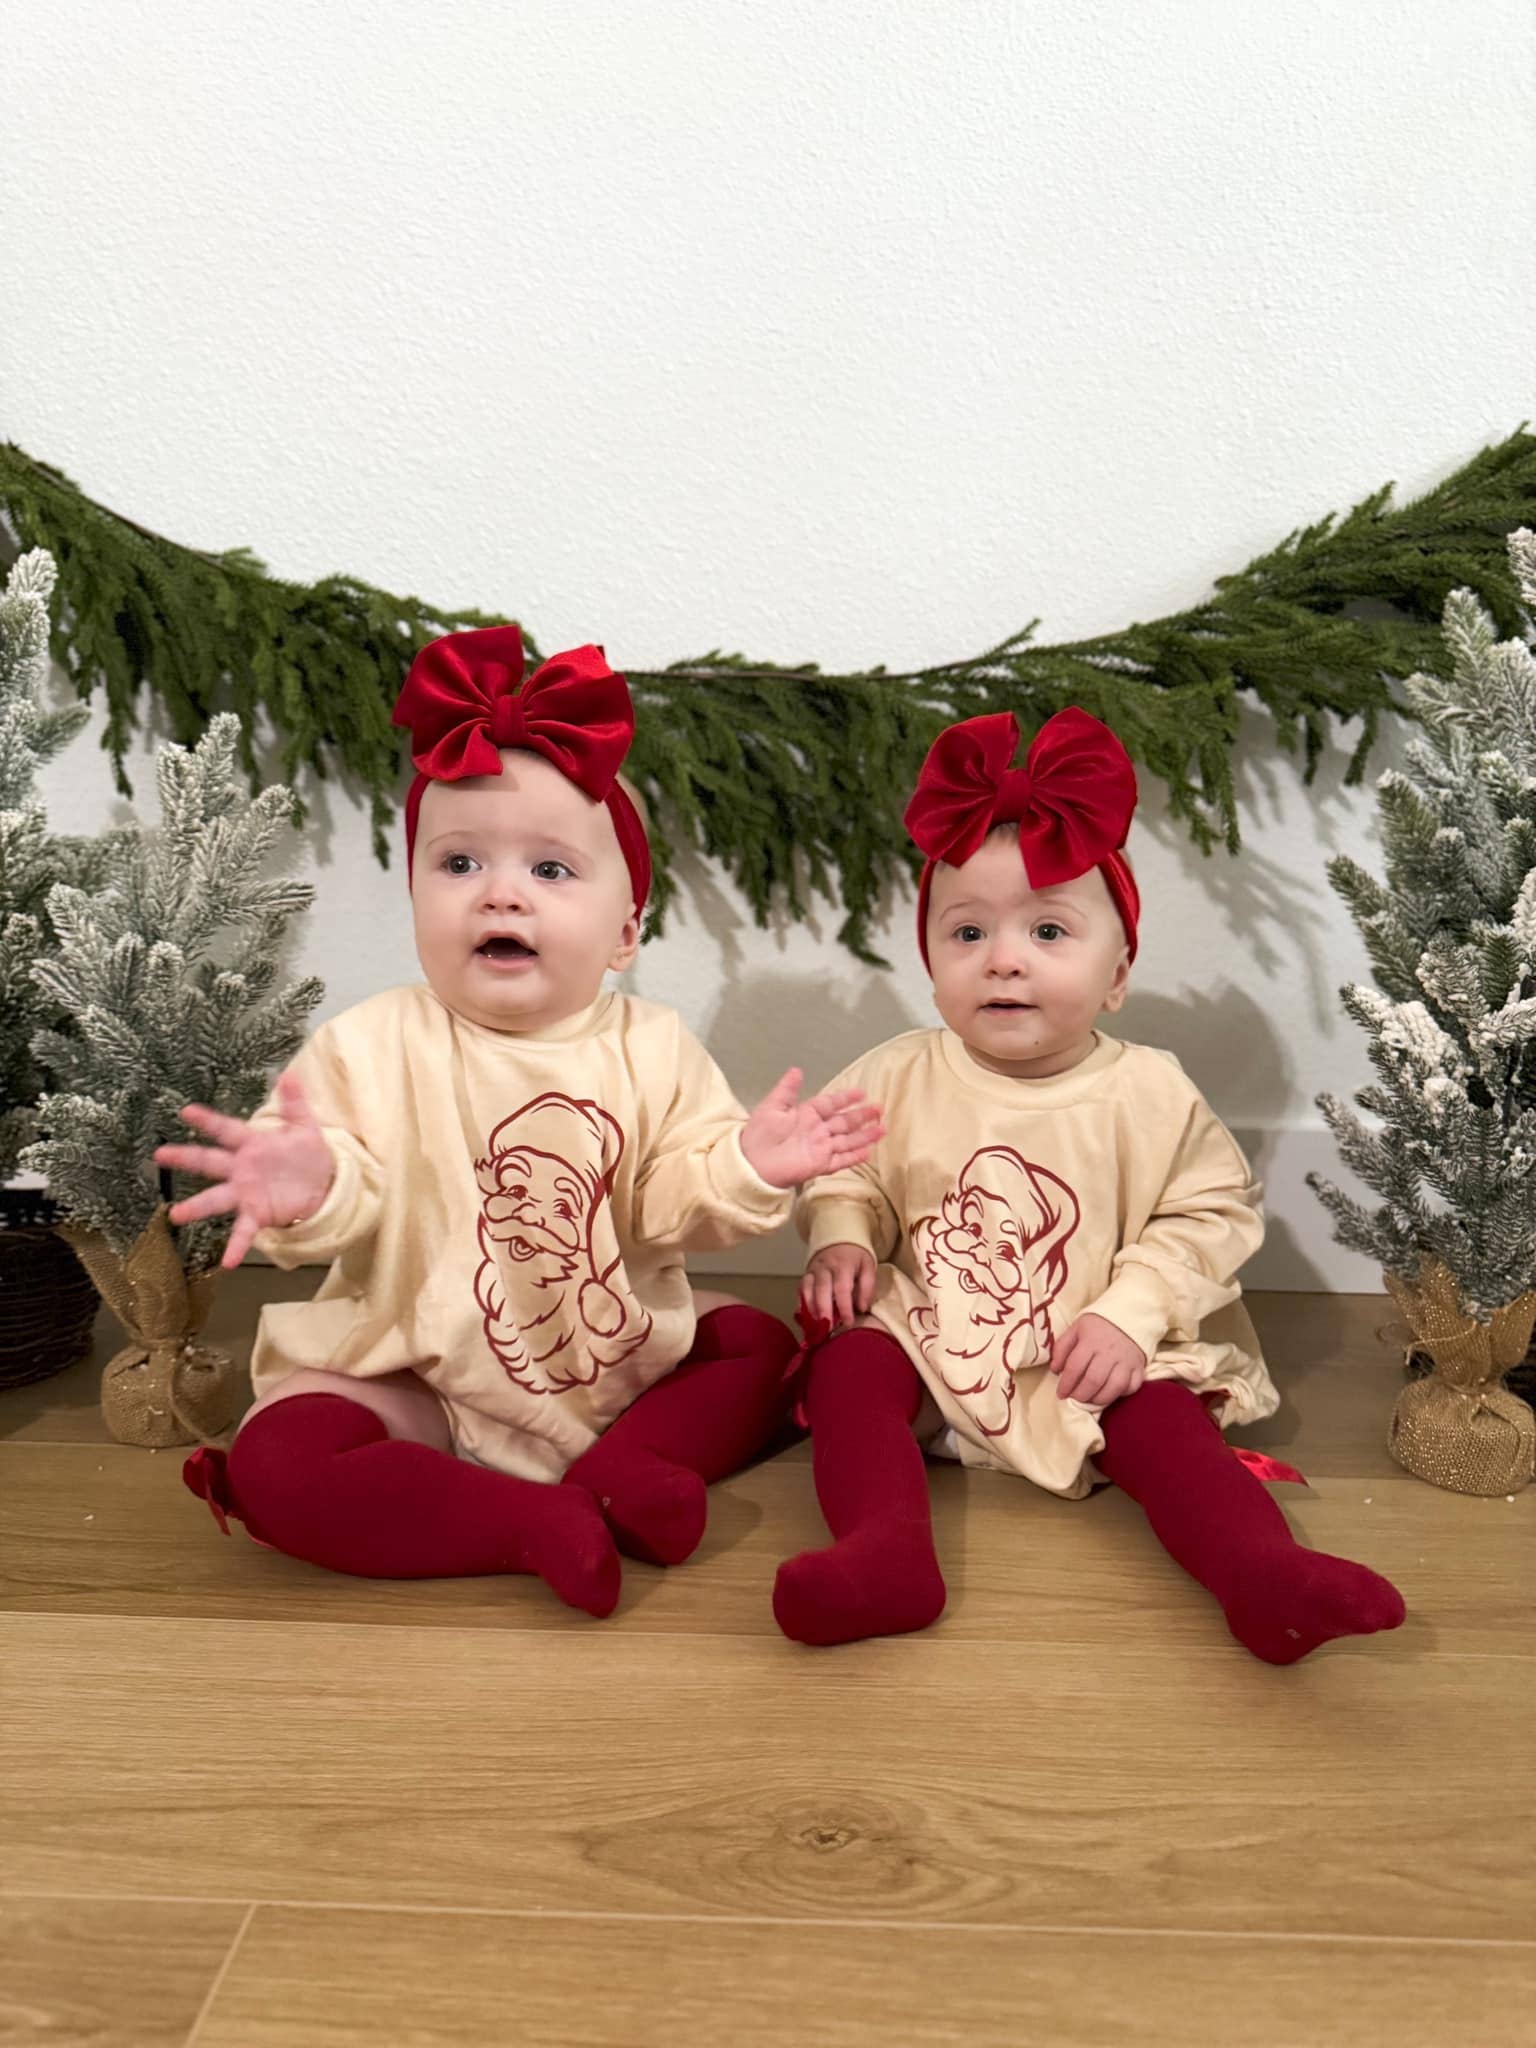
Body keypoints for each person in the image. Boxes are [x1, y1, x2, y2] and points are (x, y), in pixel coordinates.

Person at [164, 625, 882, 1616]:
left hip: (610, 1357)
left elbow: (677, 1204)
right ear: (414, 895)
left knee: (755, 1344)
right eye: (459, 863)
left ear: (625, 929)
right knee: (280, 1460)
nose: (501, 890)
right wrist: (314, 1183)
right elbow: (351, 1190)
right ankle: (532, 1521)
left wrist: (750, 1164)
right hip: (413, 1368)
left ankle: (633, 1464)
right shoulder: (372, 1043)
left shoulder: (653, 1044)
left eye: (551, 870)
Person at [779, 704, 1406, 1664]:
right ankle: (884, 1552)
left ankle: (1257, 1573)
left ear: (1118, 974)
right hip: (937, 1335)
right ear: (933, 963)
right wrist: (844, 1235)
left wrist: (1133, 1312)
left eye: (1049, 930)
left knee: (1163, 1421)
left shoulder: (1146, 1089)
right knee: (851, 1365)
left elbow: (1209, 1213)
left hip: (1094, 1349)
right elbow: (848, 1169)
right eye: (967, 931)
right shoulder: (897, 1070)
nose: (1005, 956)